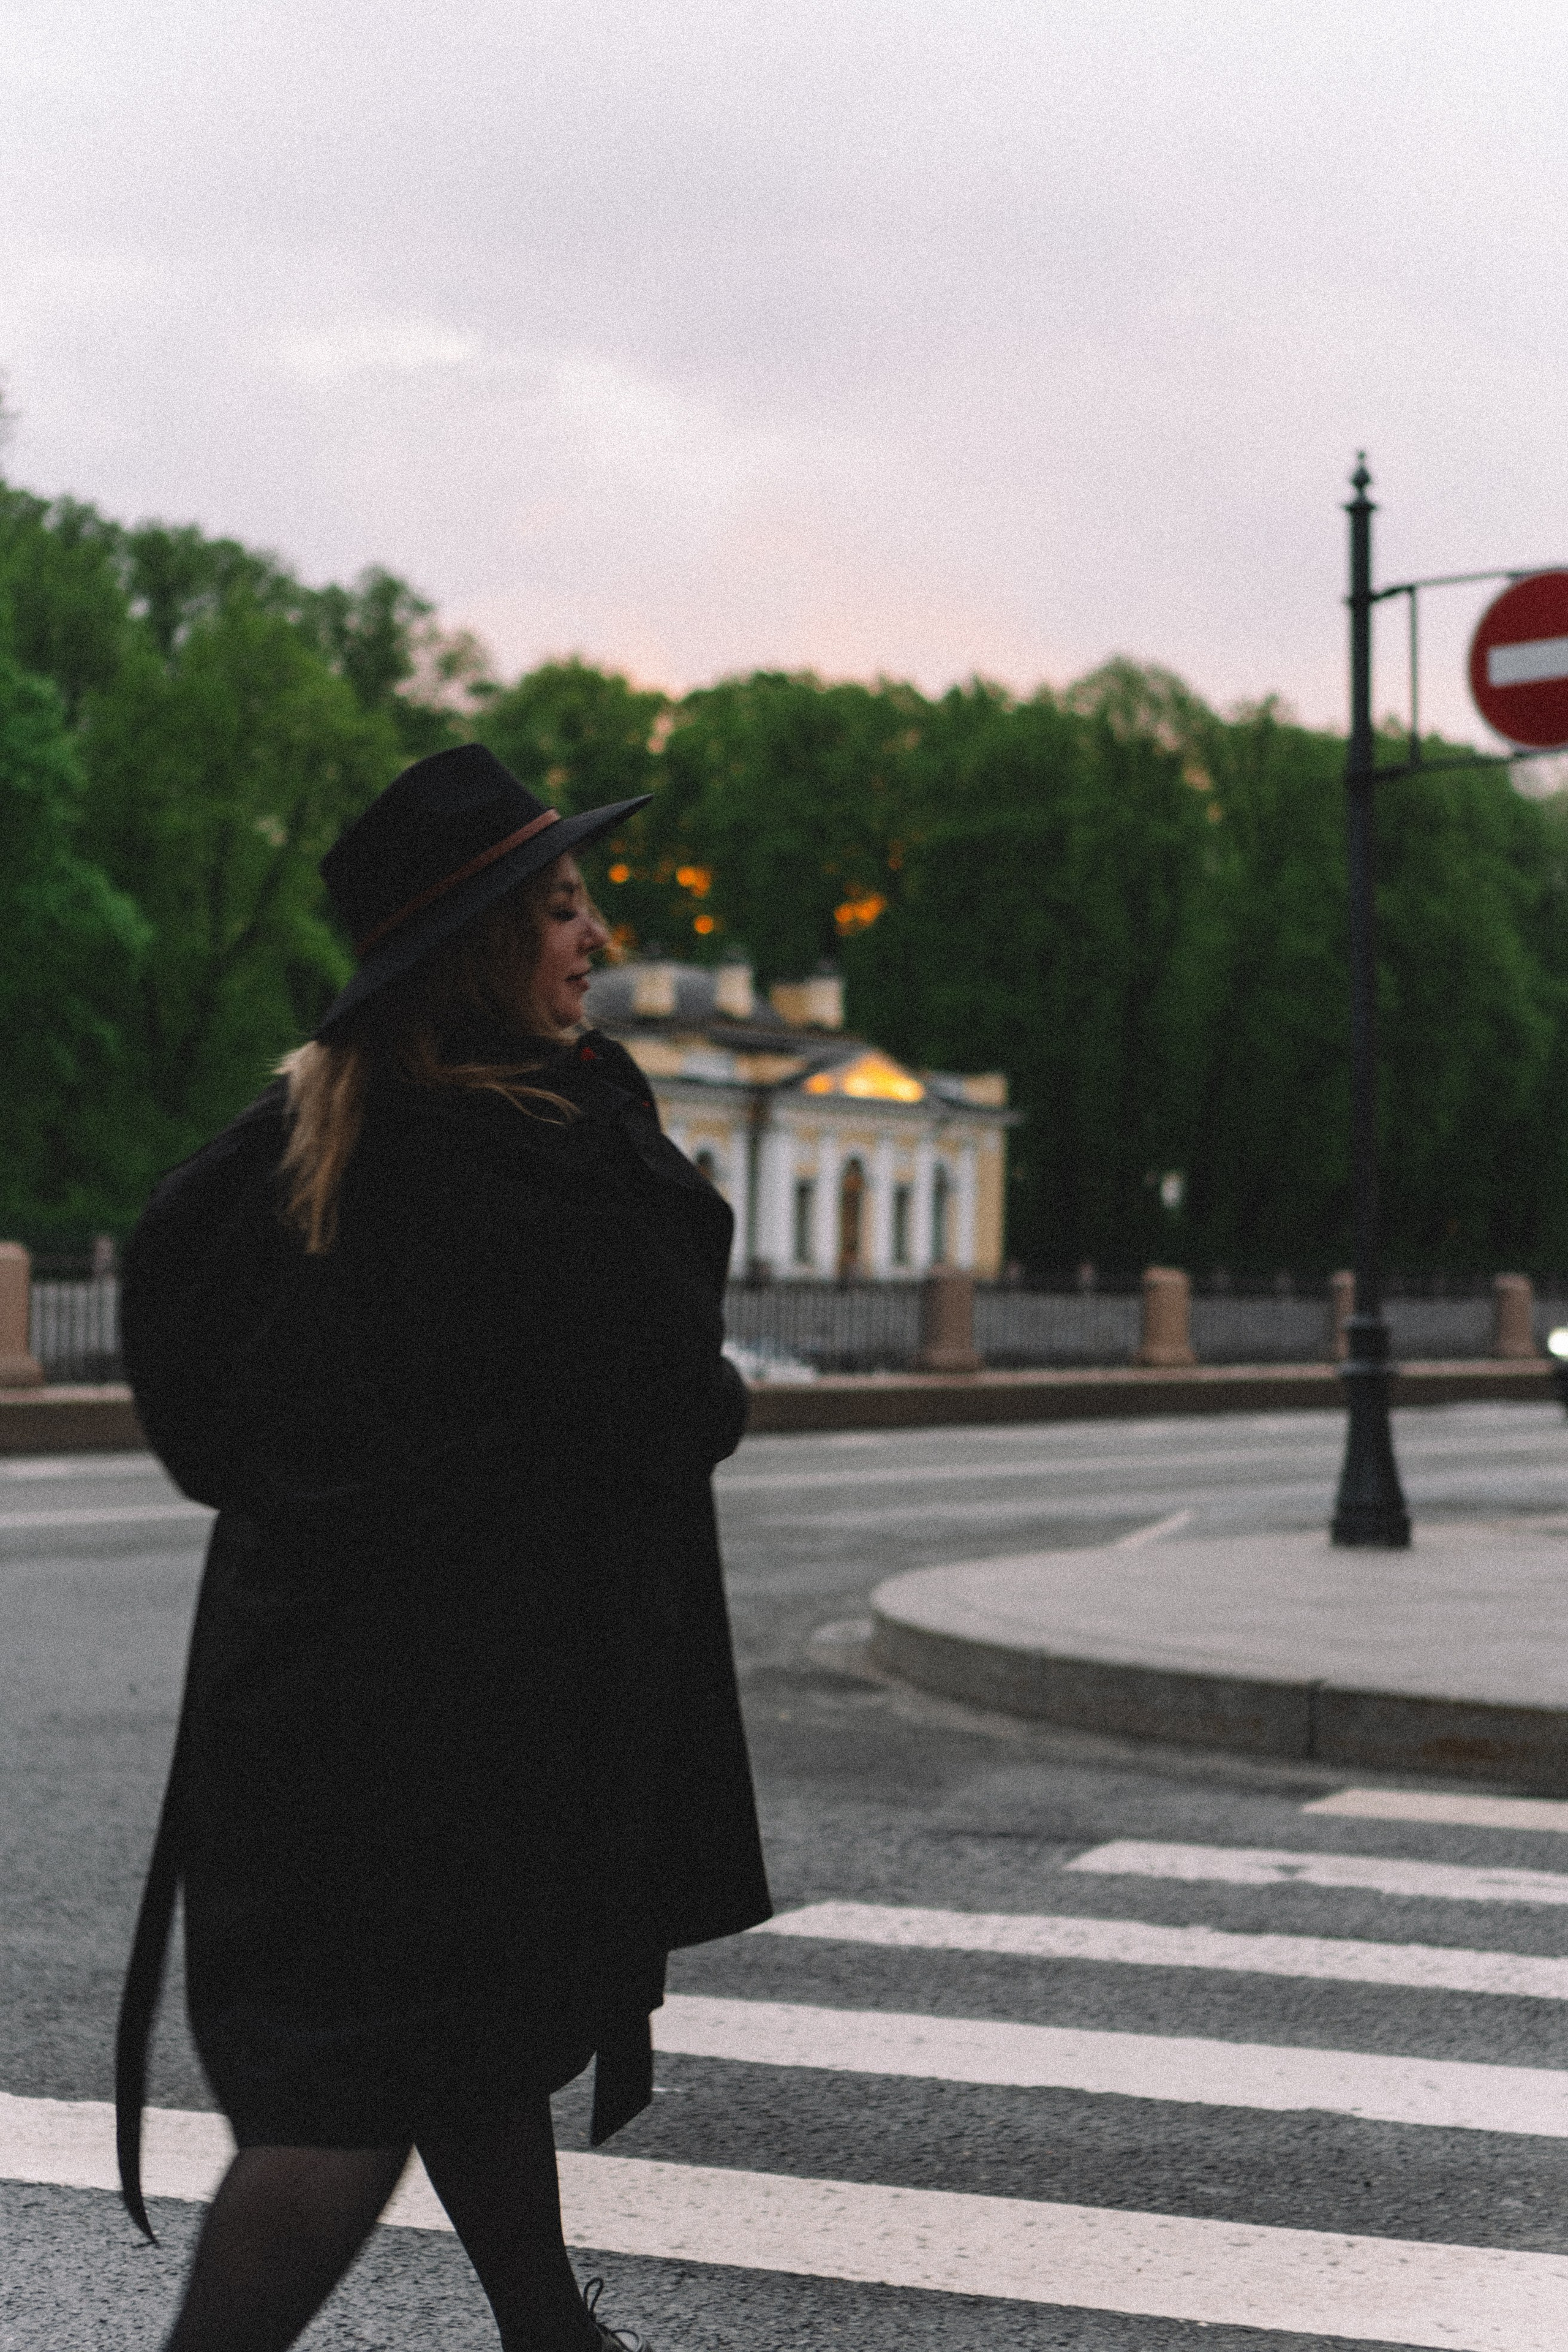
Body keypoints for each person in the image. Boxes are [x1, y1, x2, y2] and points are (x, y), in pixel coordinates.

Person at [115, 743, 772, 2352]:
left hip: (311, 1698)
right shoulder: (530, 1146)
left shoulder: (318, 1122)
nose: (593, 942)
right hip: (450, 1731)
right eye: (561, 912)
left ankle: (557, 2337)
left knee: (451, 2046)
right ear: (484, 944)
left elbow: (185, 1362)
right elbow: (664, 1389)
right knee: (354, 2099)